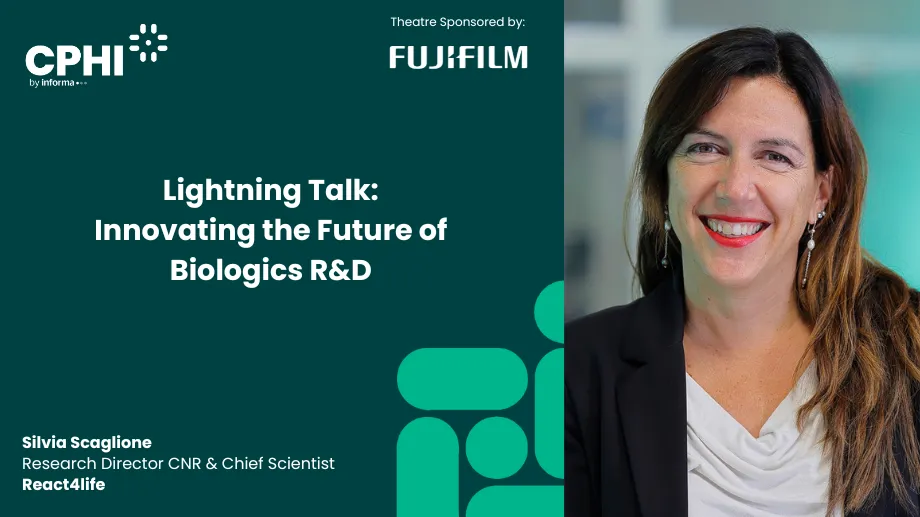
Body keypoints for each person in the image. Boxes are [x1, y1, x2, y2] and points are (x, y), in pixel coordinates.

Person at [564, 27, 920, 517]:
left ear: (822, 193)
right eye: (706, 148)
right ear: (663, 178)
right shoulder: (572, 373)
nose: (736, 187)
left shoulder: (908, 350)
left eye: (774, 156)